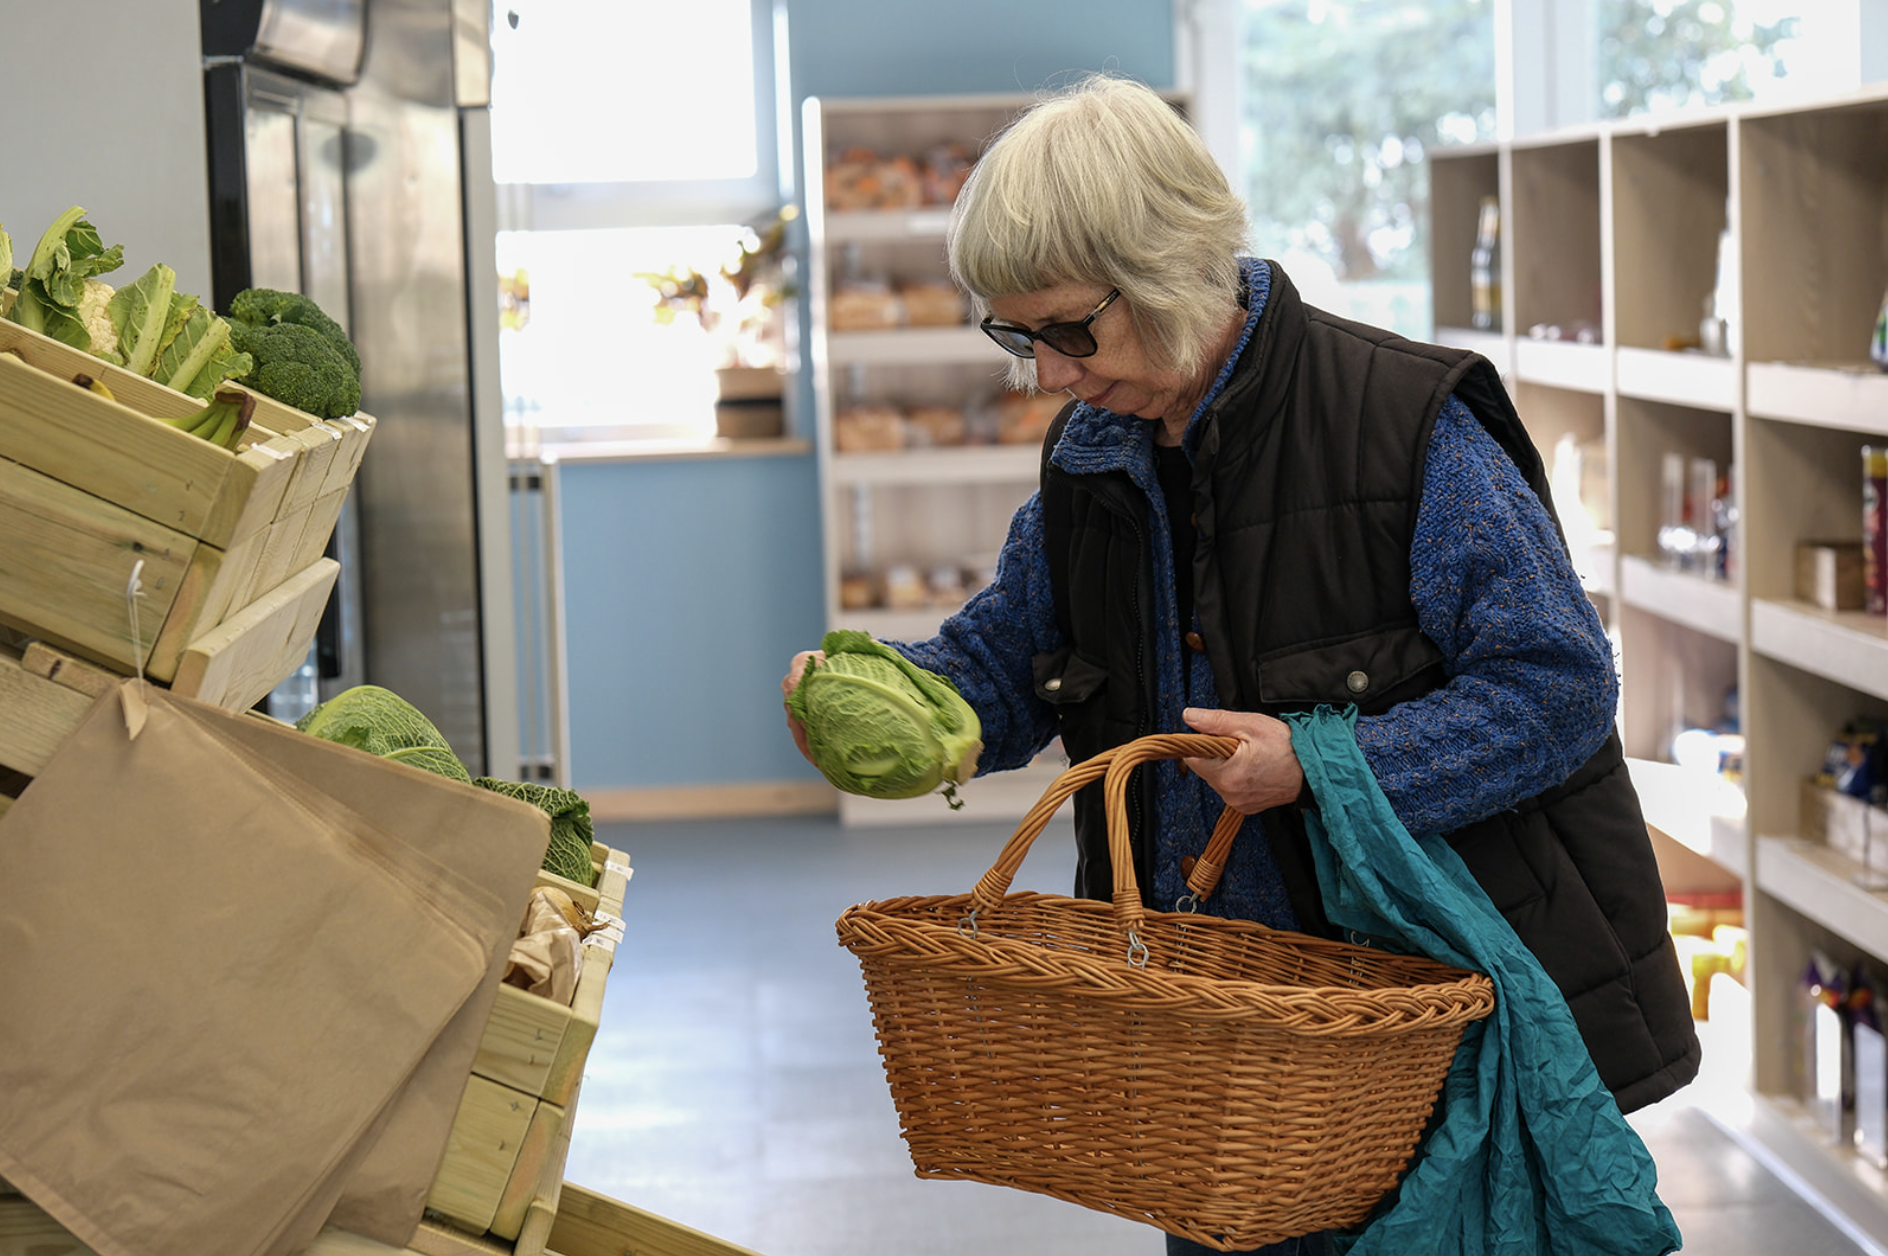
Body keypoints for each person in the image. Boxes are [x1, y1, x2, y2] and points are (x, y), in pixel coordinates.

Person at [782, 74, 1698, 1256]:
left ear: (1164, 264)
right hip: (1221, 1053)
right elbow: (1008, 662)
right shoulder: (1094, 452)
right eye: (1018, 335)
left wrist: (1322, 763)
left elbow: (1559, 685)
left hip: (1415, 1031)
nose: (1050, 369)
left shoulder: (1404, 424)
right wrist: (888, 698)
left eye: (1070, 329)